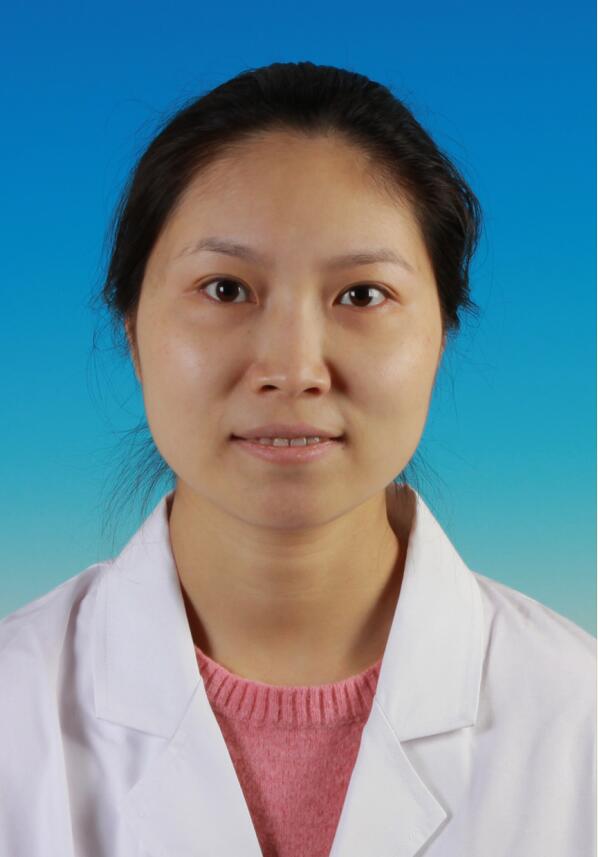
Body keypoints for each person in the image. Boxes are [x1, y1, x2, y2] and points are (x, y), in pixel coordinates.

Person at [0, 61, 595, 857]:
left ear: (441, 335)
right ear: (131, 328)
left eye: (361, 295)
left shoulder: (577, 719)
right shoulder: (14, 709)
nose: (293, 367)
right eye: (225, 289)